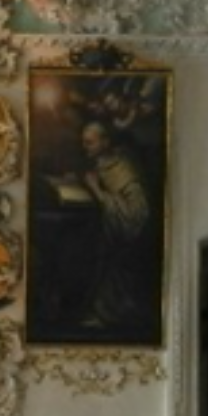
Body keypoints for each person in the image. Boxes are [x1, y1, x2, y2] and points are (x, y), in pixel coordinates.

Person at [76, 121, 153, 329]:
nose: (85, 147)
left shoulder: (122, 167)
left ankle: (106, 312)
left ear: (105, 142)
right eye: (84, 143)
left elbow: (136, 213)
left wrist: (97, 191)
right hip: (102, 230)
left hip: (125, 236)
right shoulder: (99, 162)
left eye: (90, 143)